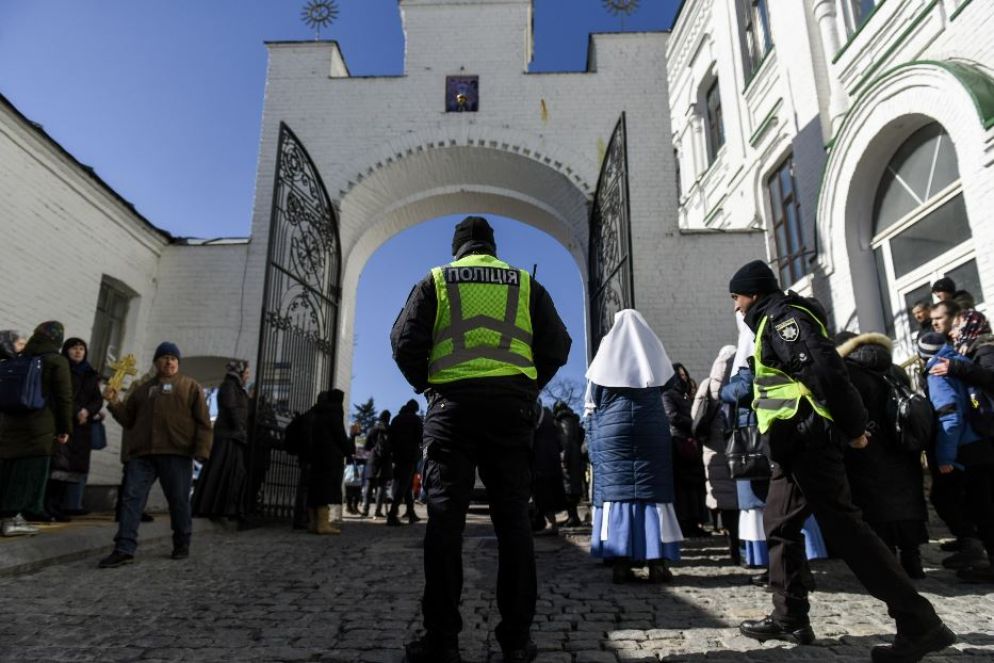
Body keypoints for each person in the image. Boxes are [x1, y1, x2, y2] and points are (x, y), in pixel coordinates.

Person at [728, 259, 954, 662]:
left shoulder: (784, 319)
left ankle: (920, 623)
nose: (735, 307)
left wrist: (854, 428)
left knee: (847, 530)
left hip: (809, 439)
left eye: (737, 297)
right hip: (789, 445)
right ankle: (789, 615)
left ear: (755, 293)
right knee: (778, 524)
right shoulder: (767, 322)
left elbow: (827, 373)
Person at [391, 215, 570, 663]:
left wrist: (429, 386)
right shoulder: (525, 284)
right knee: (513, 525)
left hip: (451, 411)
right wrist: (527, 388)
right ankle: (515, 641)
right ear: (492, 246)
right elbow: (558, 345)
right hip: (511, 413)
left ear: (457, 249)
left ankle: (443, 641)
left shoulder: (437, 281)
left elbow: (403, 342)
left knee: (445, 524)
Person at [587, 309, 683, 584]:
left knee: (619, 495)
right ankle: (657, 563)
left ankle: (621, 562)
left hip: (613, 431)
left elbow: (592, 398)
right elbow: (668, 383)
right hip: (649, 426)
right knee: (653, 494)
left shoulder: (606, 353)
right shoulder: (652, 349)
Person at [98, 342, 212, 567]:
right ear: (156, 362)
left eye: (173, 358)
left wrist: (201, 450)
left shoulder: (190, 387)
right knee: (131, 500)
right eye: (165, 358)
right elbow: (129, 420)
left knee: (178, 501)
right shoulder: (142, 389)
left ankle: (182, 542)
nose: (169, 362)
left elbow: (203, 423)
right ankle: (124, 548)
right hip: (143, 453)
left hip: (176, 452)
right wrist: (113, 402)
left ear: (178, 363)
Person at [836, 332, 929, 579]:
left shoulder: (848, 373)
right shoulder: (895, 369)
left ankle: (888, 568)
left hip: (867, 448)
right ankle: (913, 561)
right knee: (907, 502)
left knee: (875, 509)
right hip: (903, 445)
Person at [919, 331, 994, 583]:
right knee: (983, 506)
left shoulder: (938, 372)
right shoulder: (960, 362)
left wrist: (945, 458)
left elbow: (949, 418)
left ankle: (982, 557)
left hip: (966, 448)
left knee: (978, 508)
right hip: (983, 441)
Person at [0, 322, 72, 537]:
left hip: (11, 424)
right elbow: (64, 398)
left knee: (9, 472)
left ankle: (5, 517)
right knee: (31, 474)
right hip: (39, 427)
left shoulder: (20, 358)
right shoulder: (56, 361)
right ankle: (15, 521)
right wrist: (64, 428)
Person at [45, 337, 103, 521]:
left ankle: (60, 507)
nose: (78, 352)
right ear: (66, 350)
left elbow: (97, 399)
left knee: (70, 470)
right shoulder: (62, 369)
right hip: (63, 423)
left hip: (81, 427)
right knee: (57, 467)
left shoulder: (90, 373)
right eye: (74, 348)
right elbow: (60, 395)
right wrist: (77, 411)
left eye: (81, 349)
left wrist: (88, 411)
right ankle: (48, 506)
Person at [693, 345, 740, 564]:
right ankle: (746, 546)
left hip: (714, 446)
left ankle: (732, 548)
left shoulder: (707, 384)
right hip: (739, 443)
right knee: (742, 498)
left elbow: (696, 416)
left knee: (723, 496)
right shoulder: (740, 379)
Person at [192, 360, 250, 520]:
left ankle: (225, 508)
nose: (247, 376)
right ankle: (213, 508)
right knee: (221, 472)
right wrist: (239, 428)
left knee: (232, 473)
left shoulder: (236, 387)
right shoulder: (229, 386)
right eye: (246, 373)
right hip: (227, 436)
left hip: (233, 436)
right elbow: (231, 408)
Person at [663, 363, 708, 537]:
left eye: (685, 374)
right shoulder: (668, 395)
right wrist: (694, 425)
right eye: (680, 375)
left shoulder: (686, 396)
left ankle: (696, 522)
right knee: (683, 487)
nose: (684, 378)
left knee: (695, 486)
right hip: (679, 443)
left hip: (692, 442)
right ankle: (685, 523)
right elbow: (672, 416)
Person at [303, 389, 352, 534]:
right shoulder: (334, 412)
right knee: (325, 489)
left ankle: (313, 523)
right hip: (329, 456)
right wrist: (348, 448)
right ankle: (323, 525)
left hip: (316, 455)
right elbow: (340, 435)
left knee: (315, 488)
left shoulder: (317, 412)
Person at [531, 404, 567, 535]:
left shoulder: (534, 412)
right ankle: (550, 523)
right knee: (551, 491)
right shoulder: (551, 417)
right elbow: (561, 442)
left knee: (543, 493)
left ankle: (551, 524)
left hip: (540, 458)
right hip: (552, 458)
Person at [387, 399, 423, 526]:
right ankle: (392, 514)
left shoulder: (396, 419)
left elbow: (390, 439)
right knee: (403, 486)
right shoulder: (415, 419)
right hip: (410, 456)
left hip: (398, 456)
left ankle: (411, 513)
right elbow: (421, 437)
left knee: (406, 486)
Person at [553, 400, 586, 527]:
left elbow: (565, 440)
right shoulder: (573, 420)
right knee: (572, 489)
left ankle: (573, 518)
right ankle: (573, 516)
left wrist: (563, 458)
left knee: (569, 489)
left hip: (570, 459)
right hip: (576, 458)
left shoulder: (564, 419)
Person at [361, 410, 392, 519]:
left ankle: (365, 510)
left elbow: (366, 446)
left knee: (369, 486)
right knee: (381, 486)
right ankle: (377, 511)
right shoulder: (390, 430)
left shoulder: (374, 429)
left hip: (373, 459)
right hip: (385, 460)